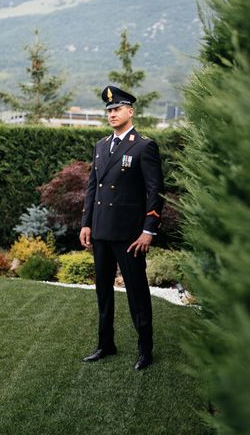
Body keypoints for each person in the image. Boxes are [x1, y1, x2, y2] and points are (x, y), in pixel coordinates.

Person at [79, 85, 164, 370]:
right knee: (103, 290)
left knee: (136, 292)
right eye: (109, 111)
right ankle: (106, 344)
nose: (112, 114)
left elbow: (156, 192)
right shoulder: (101, 146)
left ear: (131, 111)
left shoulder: (144, 146)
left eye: (117, 109)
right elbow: (93, 188)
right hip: (101, 232)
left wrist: (148, 230)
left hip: (130, 235)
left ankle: (145, 349)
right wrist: (86, 223)